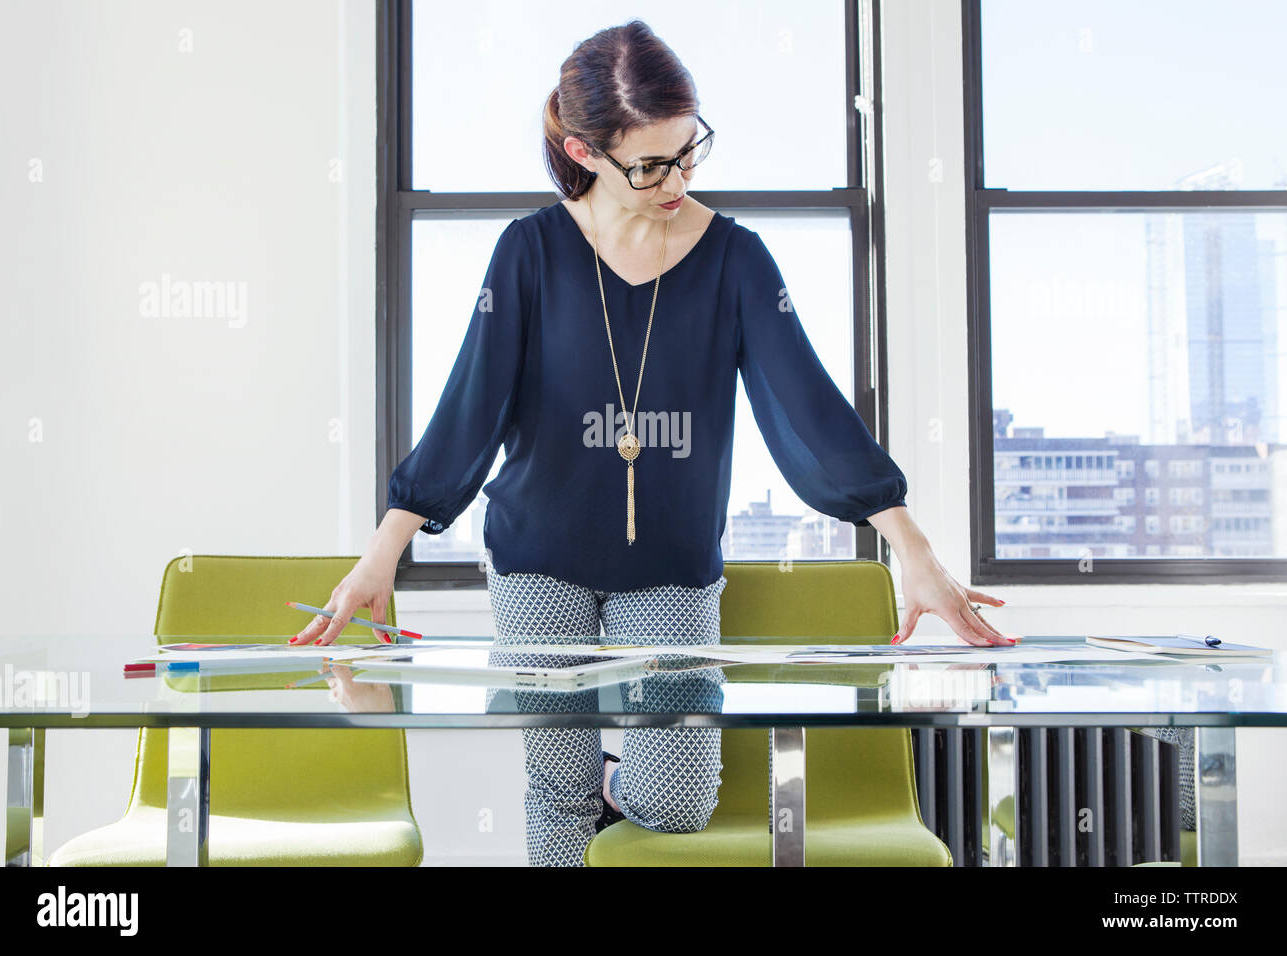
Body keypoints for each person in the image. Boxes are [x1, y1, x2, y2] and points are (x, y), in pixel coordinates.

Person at [291, 19, 1015, 866]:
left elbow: (809, 407)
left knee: (675, 799)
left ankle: (613, 785)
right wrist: (384, 553)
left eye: (689, 151)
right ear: (583, 150)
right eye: (650, 163)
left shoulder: (737, 261)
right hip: (538, 558)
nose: (677, 179)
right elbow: (469, 407)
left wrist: (912, 549)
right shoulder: (528, 253)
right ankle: (579, 798)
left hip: (670, 563)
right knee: (555, 792)